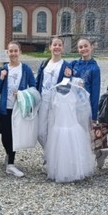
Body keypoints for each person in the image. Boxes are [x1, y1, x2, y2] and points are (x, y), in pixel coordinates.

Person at [0, 41, 36, 177]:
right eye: (10, 51)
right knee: (5, 136)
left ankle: (11, 164)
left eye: (15, 51)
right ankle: (8, 155)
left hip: (18, 108)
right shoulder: (3, 69)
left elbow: (33, 88)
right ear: (7, 53)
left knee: (14, 135)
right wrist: (1, 78)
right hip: (5, 108)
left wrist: (22, 94)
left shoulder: (26, 69)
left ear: (20, 52)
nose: (13, 53)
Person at [70, 38, 108, 169]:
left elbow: (95, 92)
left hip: (86, 106)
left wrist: (94, 115)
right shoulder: (74, 64)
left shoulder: (95, 68)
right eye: (80, 47)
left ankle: (97, 154)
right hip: (73, 105)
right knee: (75, 133)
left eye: (86, 46)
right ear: (78, 49)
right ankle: (77, 160)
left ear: (91, 47)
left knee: (86, 134)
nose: (83, 49)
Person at [36, 37, 72, 165]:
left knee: (52, 130)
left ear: (62, 48)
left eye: (59, 45)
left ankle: (50, 160)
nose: (56, 47)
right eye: (54, 45)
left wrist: (68, 77)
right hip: (43, 99)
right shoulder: (44, 64)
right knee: (40, 132)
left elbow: (67, 88)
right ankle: (50, 153)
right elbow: (38, 82)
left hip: (56, 101)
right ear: (50, 47)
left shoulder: (66, 65)